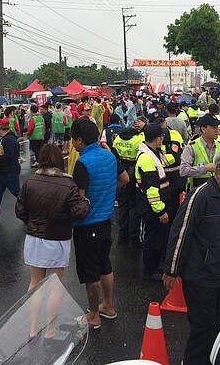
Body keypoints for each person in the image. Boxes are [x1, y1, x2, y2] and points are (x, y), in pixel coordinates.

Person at [163, 149, 220, 365]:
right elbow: (181, 232)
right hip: (200, 276)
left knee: (216, 325)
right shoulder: (201, 196)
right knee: (203, 327)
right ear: (219, 173)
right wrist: (172, 270)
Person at [70, 118, 130, 329]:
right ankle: (108, 306)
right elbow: (125, 179)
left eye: (73, 140)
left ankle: (94, 314)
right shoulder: (109, 155)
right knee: (105, 265)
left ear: (79, 140)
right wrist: (109, 193)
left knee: (90, 272)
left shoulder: (82, 163)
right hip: (105, 221)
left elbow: (79, 200)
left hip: (87, 225)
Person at [15, 144, 90, 289]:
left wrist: (32, 223)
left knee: (35, 282)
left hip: (34, 237)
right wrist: (85, 201)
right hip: (58, 239)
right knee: (54, 285)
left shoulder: (30, 182)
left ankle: (33, 313)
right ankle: (50, 314)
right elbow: (79, 212)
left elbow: (20, 211)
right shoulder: (68, 184)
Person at [135, 123, 175, 281]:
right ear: (158, 139)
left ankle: (156, 266)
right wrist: (160, 211)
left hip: (156, 207)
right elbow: (151, 189)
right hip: (152, 209)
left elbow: (166, 162)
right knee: (152, 240)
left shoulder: (152, 153)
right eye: (162, 137)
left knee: (158, 238)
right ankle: (149, 271)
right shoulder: (146, 159)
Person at [112, 116, 146, 246]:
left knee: (122, 205)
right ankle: (134, 237)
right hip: (134, 173)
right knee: (134, 206)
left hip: (120, 171)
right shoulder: (140, 138)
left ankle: (122, 236)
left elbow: (114, 154)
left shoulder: (118, 138)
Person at [180, 114, 220, 191]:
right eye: (213, 127)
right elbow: (183, 171)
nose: (217, 130)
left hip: (217, 189)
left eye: (217, 127)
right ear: (203, 129)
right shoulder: (192, 147)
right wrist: (205, 168)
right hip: (197, 190)